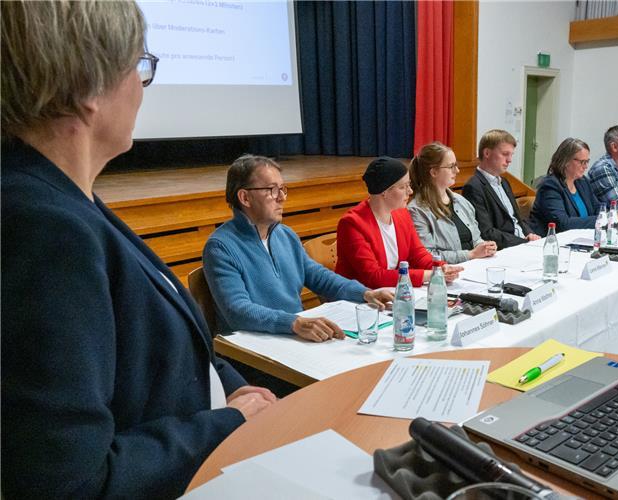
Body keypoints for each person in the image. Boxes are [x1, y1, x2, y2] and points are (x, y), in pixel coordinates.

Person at [1, 3, 276, 498]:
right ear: (88, 87)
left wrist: (232, 384)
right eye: (140, 67)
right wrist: (228, 421)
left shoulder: (68, 199)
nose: (143, 89)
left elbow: (167, 346)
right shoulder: (43, 227)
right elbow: (71, 483)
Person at [203, 155, 393, 342]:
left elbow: (319, 277)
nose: (282, 198)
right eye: (272, 190)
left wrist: (364, 293)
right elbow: (237, 310)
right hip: (253, 349)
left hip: (293, 337)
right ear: (245, 197)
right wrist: (293, 323)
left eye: (283, 189)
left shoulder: (285, 235)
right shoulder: (220, 247)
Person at [336, 157, 463, 288]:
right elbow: (373, 276)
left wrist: (441, 267)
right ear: (384, 191)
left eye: (409, 185)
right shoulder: (352, 224)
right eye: (403, 187)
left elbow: (418, 255)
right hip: (359, 299)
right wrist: (431, 275)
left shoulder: (401, 214)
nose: (410, 191)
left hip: (391, 292)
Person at [407, 142, 497, 264]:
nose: (457, 170)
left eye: (456, 165)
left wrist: (485, 247)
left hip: (473, 267)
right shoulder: (417, 210)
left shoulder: (462, 202)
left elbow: (476, 239)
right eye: (451, 166)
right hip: (445, 274)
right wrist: (471, 254)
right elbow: (427, 255)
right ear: (433, 172)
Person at [462, 129, 540, 249]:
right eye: (505, 154)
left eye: (511, 154)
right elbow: (487, 232)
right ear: (487, 153)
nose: (509, 160)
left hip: (521, 243)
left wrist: (530, 234)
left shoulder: (504, 182)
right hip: (503, 249)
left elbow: (518, 220)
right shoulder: (473, 187)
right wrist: (522, 242)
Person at [528, 138, 601, 235]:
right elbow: (563, 224)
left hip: (581, 238)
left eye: (587, 161)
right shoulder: (550, 186)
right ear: (566, 161)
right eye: (582, 162)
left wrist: (608, 215)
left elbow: (597, 207)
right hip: (553, 242)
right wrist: (600, 220)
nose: (585, 166)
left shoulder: (583, 182)